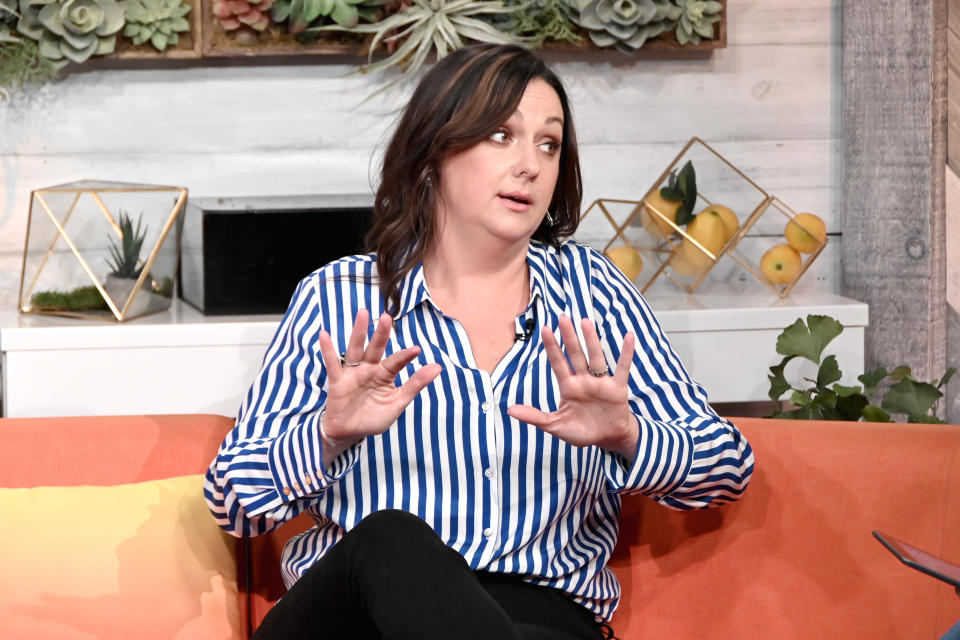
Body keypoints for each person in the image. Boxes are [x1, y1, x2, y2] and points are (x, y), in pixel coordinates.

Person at [204, 43, 754, 640]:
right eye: (501, 136)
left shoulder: (595, 294)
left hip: (538, 615)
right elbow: (232, 501)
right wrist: (325, 437)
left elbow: (726, 467)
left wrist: (630, 436)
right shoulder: (338, 300)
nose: (532, 165)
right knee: (391, 536)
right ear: (434, 150)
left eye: (549, 144)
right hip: (352, 620)